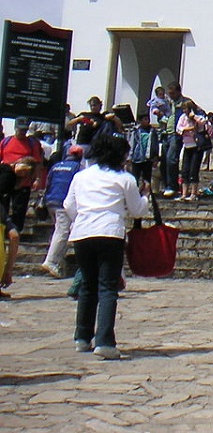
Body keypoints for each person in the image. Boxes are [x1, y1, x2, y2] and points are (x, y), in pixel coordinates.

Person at [65, 132, 149, 359]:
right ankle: (104, 341)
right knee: (107, 287)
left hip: (83, 232)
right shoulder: (124, 178)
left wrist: (83, 217)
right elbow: (137, 210)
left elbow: (69, 205)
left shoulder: (81, 176)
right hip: (110, 232)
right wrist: (146, 197)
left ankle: (82, 337)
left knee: (87, 286)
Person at [40, 145, 85, 278]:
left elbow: (48, 182)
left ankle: (58, 260)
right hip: (64, 202)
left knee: (58, 230)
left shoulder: (56, 166)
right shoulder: (78, 168)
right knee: (62, 231)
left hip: (50, 201)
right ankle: (51, 261)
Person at [0, 116, 45, 232]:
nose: (23, 132)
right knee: (3, 206)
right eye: (21, 129)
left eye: (25, 130)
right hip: (6, 180)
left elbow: (37, 162)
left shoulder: (32, 143)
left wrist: (37, 179)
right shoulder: (6, 142)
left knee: (19, 210)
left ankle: (16, 232)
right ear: (15, 128)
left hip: (24, 182)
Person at [128, 114, 157, 189]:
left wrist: (155, 157)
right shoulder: (136, 131)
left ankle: (147, 194)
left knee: (147, 179)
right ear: (140, 121)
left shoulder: (152, 131)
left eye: (148, 119)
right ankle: (135, 193)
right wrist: (130, 156)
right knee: (135, 178)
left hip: (148, 158)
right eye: (145, 119)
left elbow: (155, 144)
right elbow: (132, 143)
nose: (147, 121)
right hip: (137, 157)